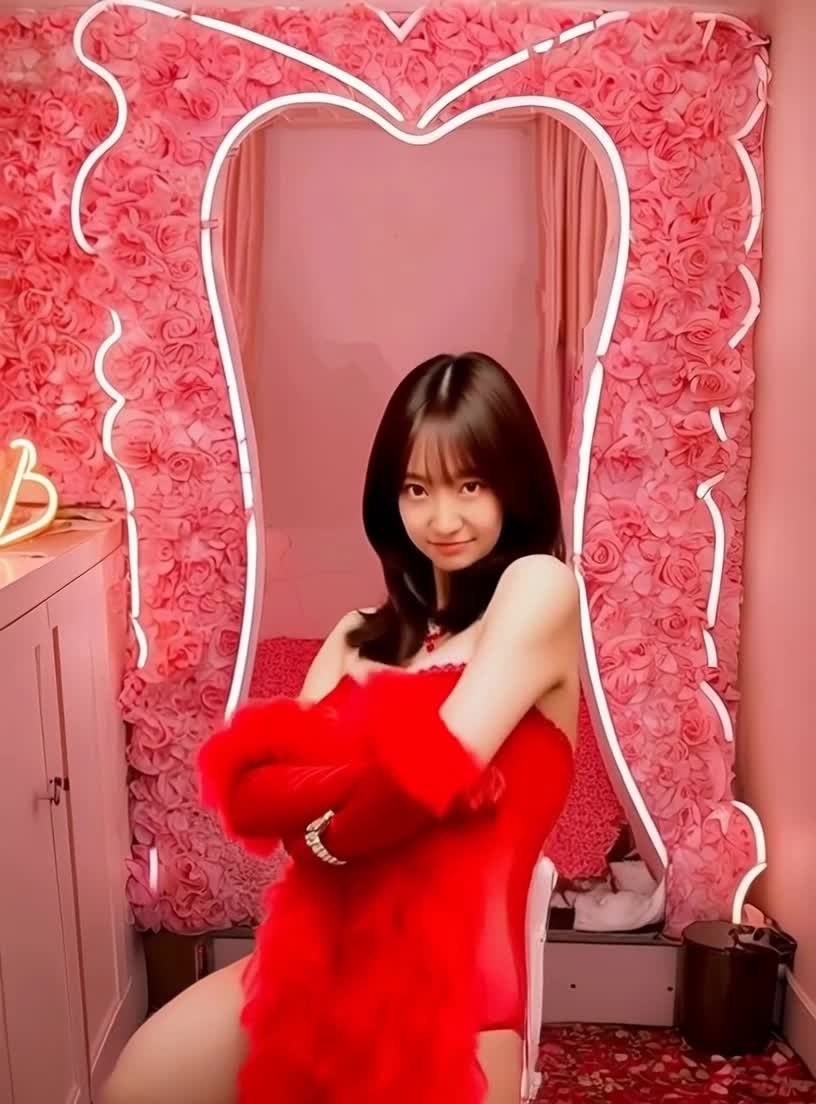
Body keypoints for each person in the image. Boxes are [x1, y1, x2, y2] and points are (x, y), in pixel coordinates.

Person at [101, 352, 579, 1104]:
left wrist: (339, 802)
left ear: (513, 486)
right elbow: (258, 796)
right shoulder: (359, 633)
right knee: (139, 1080)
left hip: (455, 987)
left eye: (470, 485)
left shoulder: (538, 588)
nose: (443, 519)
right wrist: (357, 802)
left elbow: (421, 783)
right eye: (417, 489)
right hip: (317, 949)